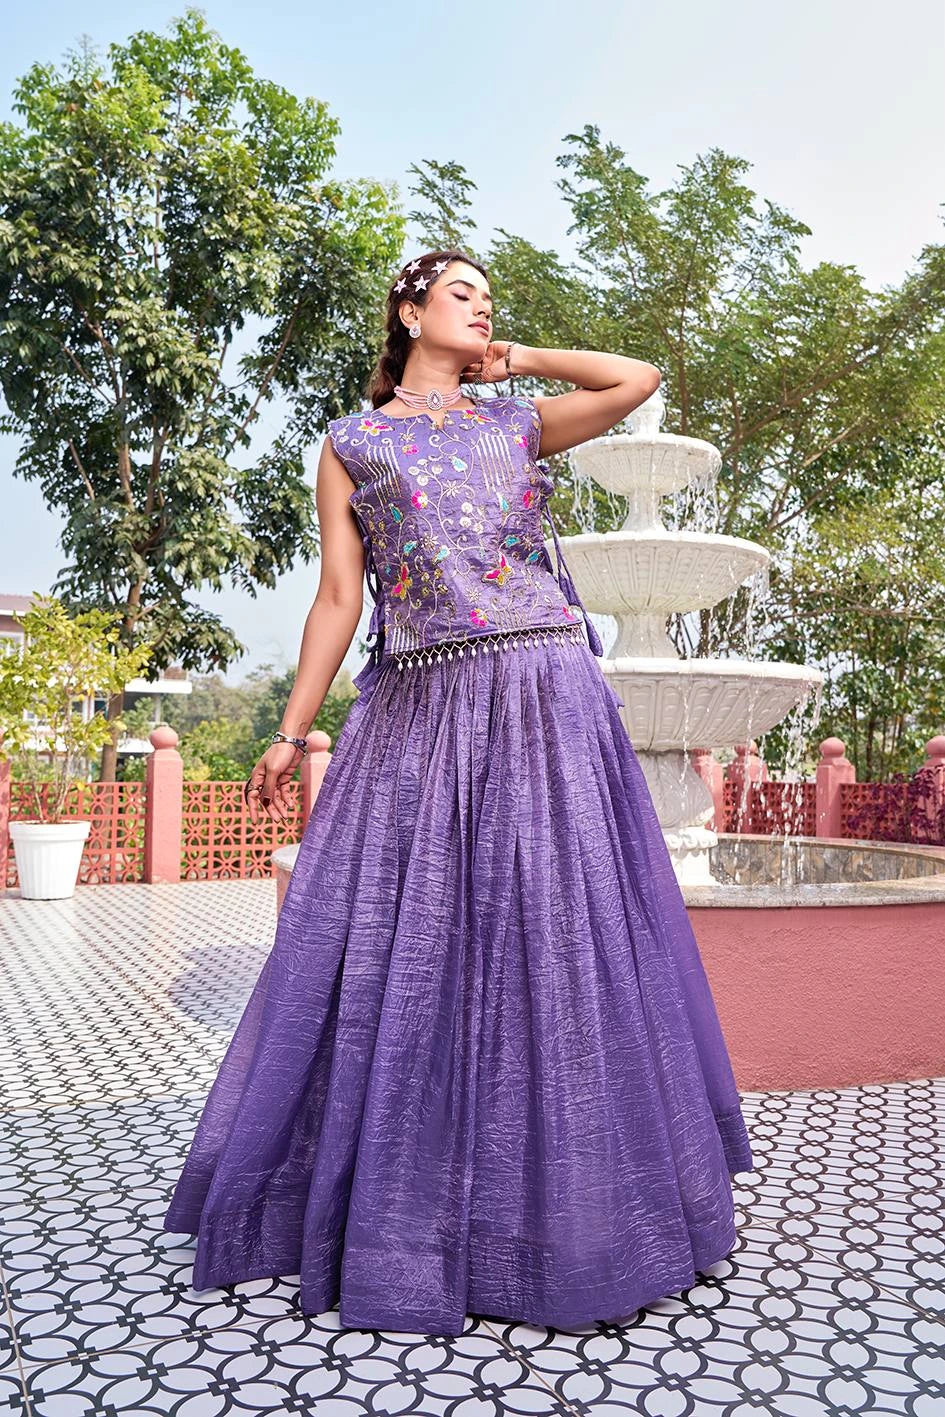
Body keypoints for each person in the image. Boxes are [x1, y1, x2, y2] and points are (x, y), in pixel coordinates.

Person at [162, 247, 755, 1337]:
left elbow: (635, 380)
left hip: (544, 692)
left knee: (557, 942)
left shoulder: (516, 422)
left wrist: (509, 360)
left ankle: (578, 1212)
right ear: (407, 310)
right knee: (413, 946)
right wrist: (293, 730)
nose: (480, 306)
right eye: (461, 293)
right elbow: (341, 598)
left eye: (489, 297)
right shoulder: (352, 444)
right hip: (421, 708)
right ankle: (407, 1212)